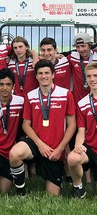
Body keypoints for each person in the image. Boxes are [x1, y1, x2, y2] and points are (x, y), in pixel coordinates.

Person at [9, 59, 76, 196]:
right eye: (40, 73)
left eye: (47, 73)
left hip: (54, 148)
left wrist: (60, 148)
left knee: (53, 195)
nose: (43, 76)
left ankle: (57, 179)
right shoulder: (31, 96)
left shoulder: (65, 94)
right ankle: (20, 191)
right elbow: (26, 125)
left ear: (53, 75)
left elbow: (72, 125)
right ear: (36, 76)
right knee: (15, 153)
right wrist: (39, 144)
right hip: (36, 143)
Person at [67, 63, 97, 198]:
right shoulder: (82, 103)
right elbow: (81, 130)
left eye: (95, 75)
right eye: (89, 76)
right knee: (72, 158)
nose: (92, 79)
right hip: (91, 148)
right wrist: (78, 145)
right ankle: (79, 188)